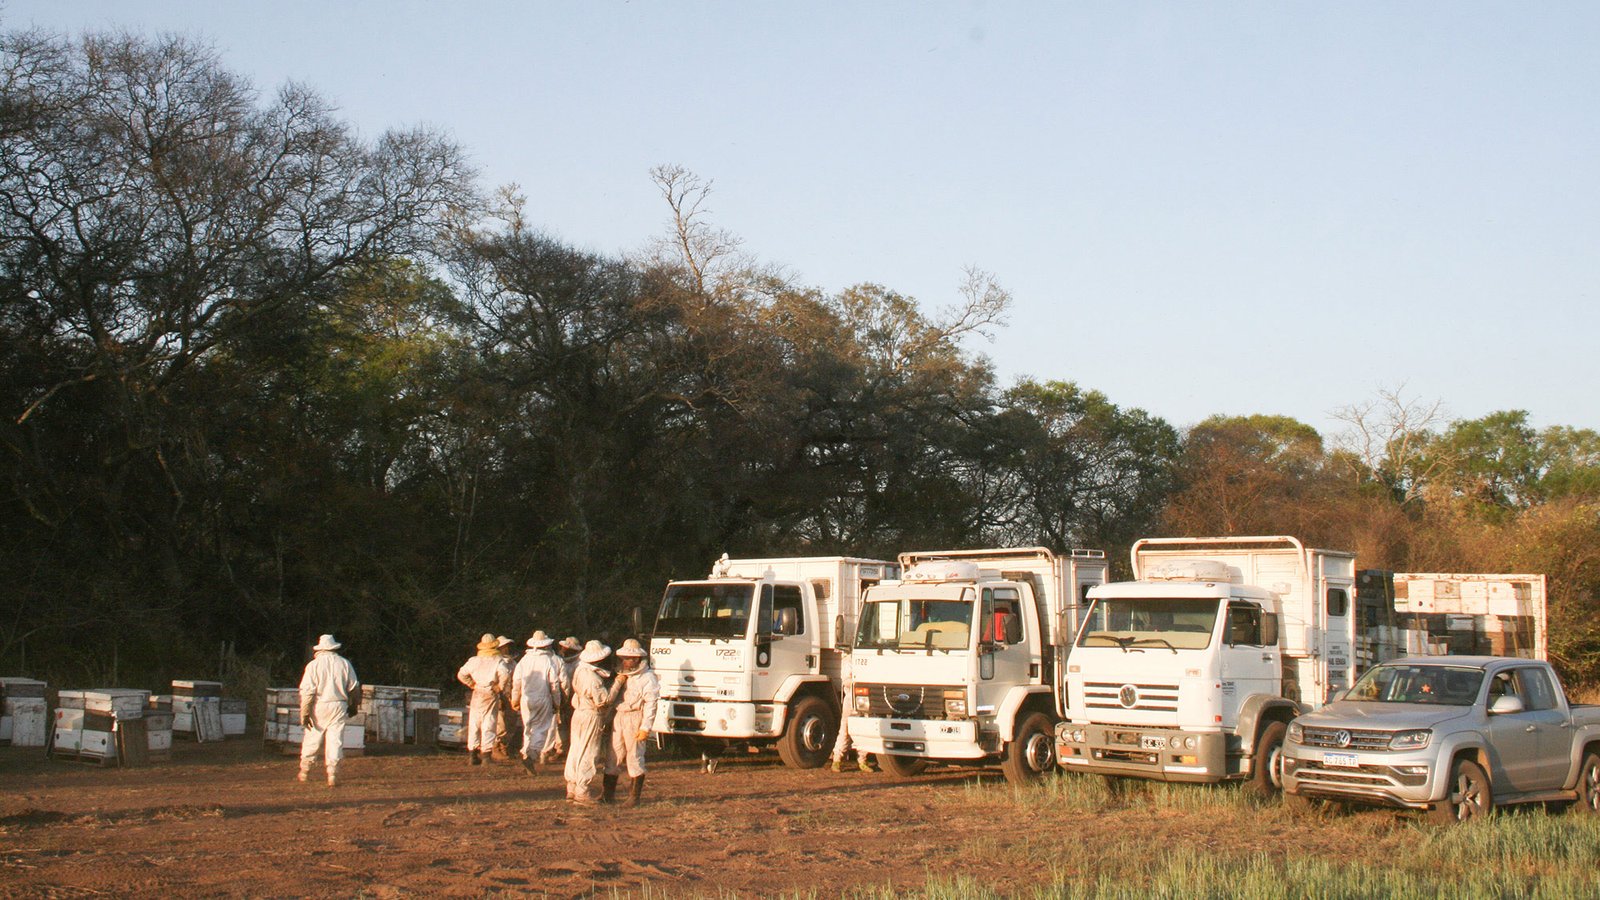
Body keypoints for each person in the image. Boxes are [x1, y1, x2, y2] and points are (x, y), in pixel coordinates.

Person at [564, 640, 623, 805]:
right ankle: (582, 790)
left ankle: (572, 787)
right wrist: (618, 683)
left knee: (576, 749)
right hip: (591, 715)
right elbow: (603, 701)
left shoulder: (580, 669)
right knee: (589, 752)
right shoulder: (592, 678)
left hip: (579, 713)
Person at [298, 633, 360, 787]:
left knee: (313, 737)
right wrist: (354, 706)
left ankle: (305, 771)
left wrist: (305, 712)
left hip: (318, 705)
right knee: (335, 739)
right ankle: (332, 773)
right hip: (339, 705)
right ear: (334, 648)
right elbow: (354, 688)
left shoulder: (313, 665)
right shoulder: (344, 663)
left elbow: (308, 692)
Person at [605, 638, 660, 806]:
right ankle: (607, 796)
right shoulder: (622, 676)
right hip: (619, 716)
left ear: (637, 659)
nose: (626, 661)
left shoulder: (648, 677)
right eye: (624, 658)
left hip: (636, 717)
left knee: (634, 757)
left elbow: (651, 703)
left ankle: (634, 797)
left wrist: (645, 727)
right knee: (613, 755)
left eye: (629, 658)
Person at [511, 630, 568, 775]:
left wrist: (515, 700)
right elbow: (554, 684)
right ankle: (532, 755)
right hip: (543, 697)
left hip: (526, 698)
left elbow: (516, 682)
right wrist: (557, 702)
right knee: (541, 729)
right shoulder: (548, 661)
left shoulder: (524, 660)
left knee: (528, 728)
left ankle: (526, 754)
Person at [457, 633, 512, 766]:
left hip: (477, 692)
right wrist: (500, 687)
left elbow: (461, 674)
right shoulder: (498, 660)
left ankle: (472, 755)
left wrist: (472, 684)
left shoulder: (474, 660)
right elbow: (505, 674)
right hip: (490, 692)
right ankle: (486, 756)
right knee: (489, 723)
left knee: (474, 723)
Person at [830, 652, 872, 773]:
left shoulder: (868, 658)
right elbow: (846, 681)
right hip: (851, 699)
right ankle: (837, 760)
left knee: (864, 731)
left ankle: (863, 761)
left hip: (865, 698)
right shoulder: (848, 660)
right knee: (845, 730)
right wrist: (859, 680)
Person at [493, 635, 519, 761]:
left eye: (508, 646)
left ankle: (505, 747)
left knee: (511, 723)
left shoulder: (514, 663)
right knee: (500, 724)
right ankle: (496, 747)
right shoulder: (495, 662)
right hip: (499, 696)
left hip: (511, 696)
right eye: (504, 647)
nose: (507, 649)